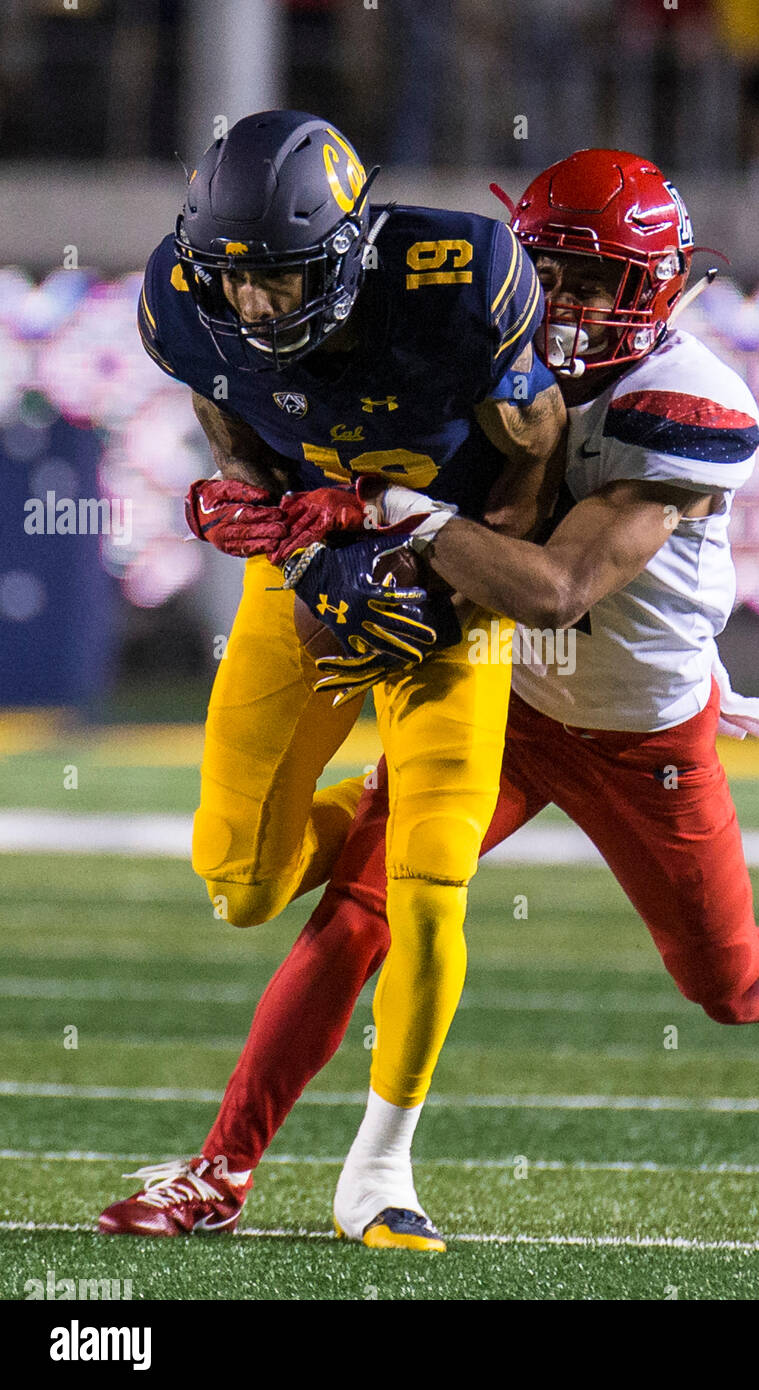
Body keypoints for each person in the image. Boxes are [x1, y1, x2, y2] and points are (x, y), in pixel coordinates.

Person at [100, 149, 759, 1249]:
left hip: (632, 728)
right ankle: (219, 1170)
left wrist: (375, 509)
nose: (562, 302)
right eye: (548, 269)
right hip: (503, 699)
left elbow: (562, 588)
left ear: (655, 286)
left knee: (727, 976)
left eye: (594, 281)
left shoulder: (684, 400)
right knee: (367, 908)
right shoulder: (465, 335)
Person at [126, 109, 566, 1248]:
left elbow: (533, 460)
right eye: (235, 280)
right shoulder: (188, 297)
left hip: (447, 591)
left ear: (349, 250)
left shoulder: (456, 280)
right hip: (306, 578)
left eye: (279, 278)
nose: (257, 305)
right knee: (241, 885)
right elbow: (224, 412)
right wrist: (259, 506)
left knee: (428, 886)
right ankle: (368, 817)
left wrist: (449, 591)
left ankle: (378, 1173)